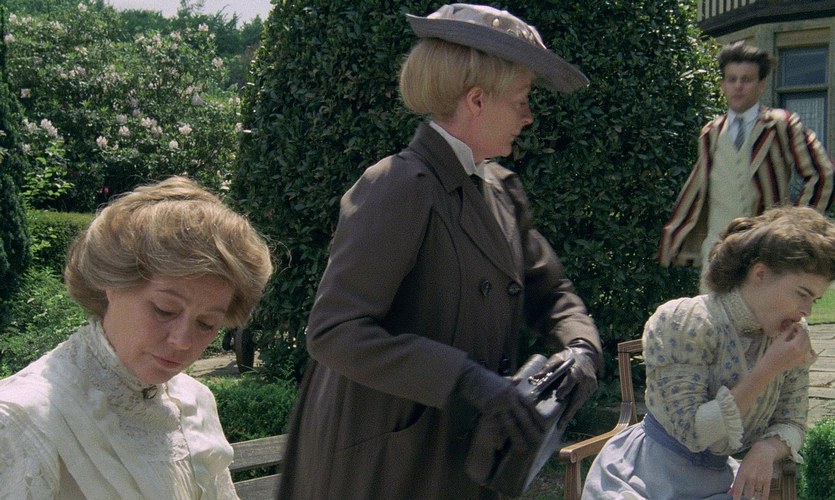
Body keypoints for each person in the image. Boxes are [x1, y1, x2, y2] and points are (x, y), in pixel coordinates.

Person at [277, 4, 602, 499]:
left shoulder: (501, 189)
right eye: (521, 101)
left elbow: (553, 291)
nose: (529, 117)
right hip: (390, 467)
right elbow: (334, 331)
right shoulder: (399, 185)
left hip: (462, 460)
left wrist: (581, 349)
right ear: (477, 100)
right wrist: (466, 378)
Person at [0, 176, 273, 498]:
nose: (183, 340)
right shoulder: (21, 419)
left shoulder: (194, 400)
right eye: (164, 310)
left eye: (206, 323)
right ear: (112, 284)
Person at [584, 206, 835, 500]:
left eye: (814, 300)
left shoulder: (789, 336)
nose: (806, 310)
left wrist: (767, 449)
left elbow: (792, 421)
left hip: (718, 482)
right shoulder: (685, 321)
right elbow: (692, 432)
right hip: (644, 478)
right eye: (802, 294)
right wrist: (768, 369)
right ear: (760, 274)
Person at [658, 41, 834, 291]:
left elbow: (822, 174)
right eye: (732, 79)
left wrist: (796, 225)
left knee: (767, 315)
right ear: (723, 85)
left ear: (761, 85)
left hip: (767, 252)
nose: (738, 86)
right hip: (717, 253)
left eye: (747, 79)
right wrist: (677, 234)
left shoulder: (781, 124)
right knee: (715, 315)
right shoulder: (710, 133)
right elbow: (698, 190)